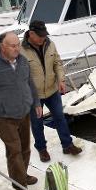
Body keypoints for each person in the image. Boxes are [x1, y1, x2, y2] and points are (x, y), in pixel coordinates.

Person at [0, 31, 42, 190]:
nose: (17, 48)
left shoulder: (22, 61)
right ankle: (20, 186)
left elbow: (30, 83)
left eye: (18, 45)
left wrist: (36, 103)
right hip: (3, 116)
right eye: (13, 46)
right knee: (14, 151)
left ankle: (22, 175)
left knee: (26, 148)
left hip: (23, 112)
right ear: (2, 47)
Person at [21, 20, 82, 161]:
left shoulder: (50, 44)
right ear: (31, 34)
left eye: (44, 35)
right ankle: (42, 149)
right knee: (37, 123)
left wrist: (61, 79)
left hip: (52, 90)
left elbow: (57, 63)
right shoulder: (20, 50)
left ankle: (67, 145)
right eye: (40, 36)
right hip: (33, 95)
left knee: (60, 117)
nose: (44, 38)